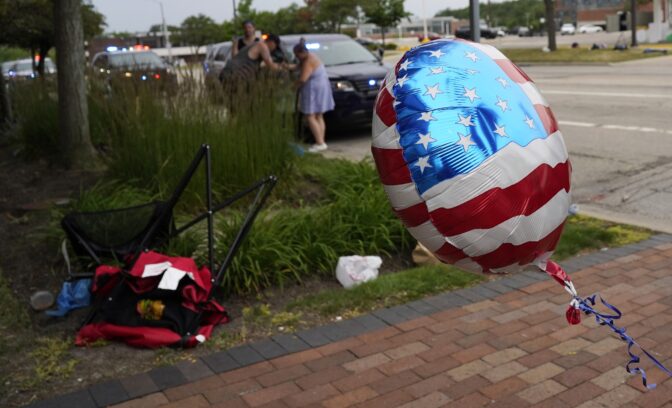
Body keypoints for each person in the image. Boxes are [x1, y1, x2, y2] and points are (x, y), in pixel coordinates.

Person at [293, 39, 335, 153]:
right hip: (321, 87)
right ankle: (321, 141)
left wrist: (293, 87)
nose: (297, 58)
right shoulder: (311, 56)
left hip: (313, 89)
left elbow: (303, 79)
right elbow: (297, 66)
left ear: (302, 53)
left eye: (297, 55)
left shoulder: (308, 61)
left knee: (310, 116)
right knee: (319, 115)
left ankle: (320, 142)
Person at [220, 34, 284, 84]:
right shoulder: (262, 46)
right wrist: (284, 67)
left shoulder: (251, 45)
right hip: (238, 76)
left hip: (225, 73)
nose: (273, 50)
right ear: (272, 43)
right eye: (275, 47)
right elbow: (271, 65)